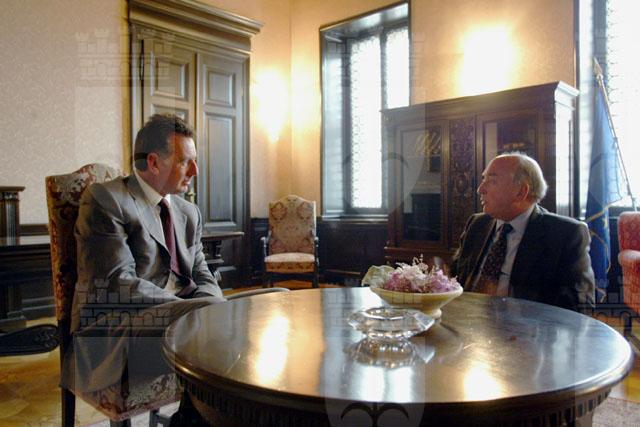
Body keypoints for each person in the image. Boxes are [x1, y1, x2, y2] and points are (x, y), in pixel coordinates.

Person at [62, 114, 222, 423]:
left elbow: (202, 272)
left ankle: (193, 419)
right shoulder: (106, 200)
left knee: (269, 301)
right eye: (185, 161)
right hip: (117, 331)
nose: (195, 171)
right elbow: (119, 283)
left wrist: (212, 308)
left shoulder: (188, 212)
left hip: (182, 319)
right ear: (154, 162)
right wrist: (197, 311)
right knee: (218, 321)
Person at [450, 152, 595, 312]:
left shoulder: (565, 235)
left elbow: (579, 306)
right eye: (483, 180)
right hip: (466, 319)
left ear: (521, 192)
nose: (480, 189)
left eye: (492, 181)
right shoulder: (477, 225)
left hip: (526, 325)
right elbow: (455, 279)